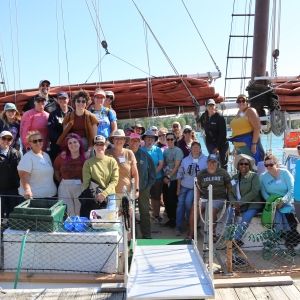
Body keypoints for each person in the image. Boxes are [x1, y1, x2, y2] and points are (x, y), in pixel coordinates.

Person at [260, 154, 300, 253]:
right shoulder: (263, 177)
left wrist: (283, 201)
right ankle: (282, 239)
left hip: (287, 202)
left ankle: (290, 243)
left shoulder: (285, 173)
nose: (268, 167)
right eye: (266, 165)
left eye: (271, 164)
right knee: (277, 216)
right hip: (273, 203)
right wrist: (272, 202)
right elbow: (263, 192)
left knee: (290, 219)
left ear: (276, 163)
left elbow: (292, 189)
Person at [189, 154, 231, 239]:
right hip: (204, 198)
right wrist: (197, 201)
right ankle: (192, 233)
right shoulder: (202, 173)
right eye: (209, 161)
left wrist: (230, 200)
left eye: (214, 162)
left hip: (219, 198)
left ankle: (212, 234)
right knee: (194, 210)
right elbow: (198, 188)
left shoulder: (223, 173)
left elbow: (229, 187)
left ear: (217, 163)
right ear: (207, 162)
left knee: (212, 209)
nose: (211, 164)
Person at [228, 154, 264, 247]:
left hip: (252, 205)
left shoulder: (254, 176)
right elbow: (230, 193)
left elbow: (254, 191)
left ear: (249, 166)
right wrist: (233, 203)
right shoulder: (234, 178)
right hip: (238, 205)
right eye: (241, 164)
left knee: (245, 219)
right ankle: (228, 237)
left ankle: (235, 241)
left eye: (246, 164)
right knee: (229, 214)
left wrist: (240, 203)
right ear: (238, 166)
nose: (243, 165)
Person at [82, 135, 119, 216]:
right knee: (96, 225)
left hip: (110, 197)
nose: (99, 146)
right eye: (97, 144)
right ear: (93, 147)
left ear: (105, 146)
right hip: (95, 198)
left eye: (101, 144)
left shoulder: (112, 161)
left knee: (109, 224)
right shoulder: (88, 163)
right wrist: (93, 197)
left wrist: (104, 194)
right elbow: (86, 184)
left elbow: (114, 181)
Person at [176, 141, 207, 234]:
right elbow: (180, 174)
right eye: (194, 147)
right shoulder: (185, 160)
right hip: (184, 186)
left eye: (197, 147)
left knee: (188, 203)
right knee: (180, 205)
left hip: (197, 187)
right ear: (191, 149)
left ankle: (192, 225)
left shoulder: (205, 160)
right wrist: (178, 188)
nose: (195, 149)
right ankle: (179, 226)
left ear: (200, 149)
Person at [129, 133, 156, 238]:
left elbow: (152, 173)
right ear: (129, 141)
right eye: (132, 140)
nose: (134, 142)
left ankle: (147, 235)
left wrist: (148, 186)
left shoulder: (145, 155)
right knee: (129, 213)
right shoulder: (125, 154)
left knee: (144, 212)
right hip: (128, 190)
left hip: (143, 189)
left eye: (136, 140)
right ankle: (132, 236)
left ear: (140, 142)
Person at [57, 90, 98, 155]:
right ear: (74, 102)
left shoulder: (92, 117)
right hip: (72, 143)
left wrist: (89, 151)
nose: (81, 103)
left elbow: (94, 138)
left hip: (88, 144)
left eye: (83, 101)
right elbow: (65, 135)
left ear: (86, 103)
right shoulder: (68, 117)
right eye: (78, 101)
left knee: (84, 143)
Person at [18, 131, 57, 199]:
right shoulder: (27, 157)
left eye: (40, 140)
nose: (38, 142)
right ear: (30, 143)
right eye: (35, 141)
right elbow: (23, 176)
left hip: (51, 195)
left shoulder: (46, 155)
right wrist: (27, 190)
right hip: (35, 197)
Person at [54, 133, 86, 216]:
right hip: (64, 186)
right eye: (70, 143)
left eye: (75, 142)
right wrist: (61, 180)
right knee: (67, 212)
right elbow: (56, 170)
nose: (73, 145)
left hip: (80, 187)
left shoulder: (85, 158)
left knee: (79, 210)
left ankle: (79, 228)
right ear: (67, 145)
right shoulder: (61, 157)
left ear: (79, 143)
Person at [229, 94, 265, 165]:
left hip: (248, 146)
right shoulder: (239, 113)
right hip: (238, 147)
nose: (241, 102)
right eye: (239, 101)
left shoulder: (250, 111)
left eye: (243, 100)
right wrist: (235, 147)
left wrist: (254, 144)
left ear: (247, 102)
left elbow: (257, 128)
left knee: (252, 167)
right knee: (243, 170)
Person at [105, 129, 139, 199]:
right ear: (113, 140)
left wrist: (136, 189)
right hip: (110, 193)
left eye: (121, 138)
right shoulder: (106, 153)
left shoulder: (129, 153)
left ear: (124, 140)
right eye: (116, 138)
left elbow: (135, 174)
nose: (119, 141)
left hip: (127, 193)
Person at [141, 129, 164, 223]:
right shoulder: (140, 150)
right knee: (145, 198)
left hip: (157, 178)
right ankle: (145, 217)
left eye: (151, 138)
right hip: (144, 179)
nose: (150, 140)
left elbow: (161, 164)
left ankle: (156, 215)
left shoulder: (158, 150)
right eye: (148, 138)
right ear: (144, 139)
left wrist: (153, 174)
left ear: (154, 140)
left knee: (156, 197)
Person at [199, 99, 229, 169]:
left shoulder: (220, 117)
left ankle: (224, 178)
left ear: (215, 106)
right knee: (213, 162)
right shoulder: (204, 116)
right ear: (206, 107)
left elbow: (223, 134)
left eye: (212, 105)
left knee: (222, 164)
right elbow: (199, 122)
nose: (211, 107)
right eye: (209, 105)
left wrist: (217, 147)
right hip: (210, 144)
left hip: (221, 145)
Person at [162, 132, 184, 228]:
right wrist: (165, 176)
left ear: (175, 140)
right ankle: (170, 219)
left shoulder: (178, 151)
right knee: (166, 200)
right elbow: (164, 164)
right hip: (166, 179)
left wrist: (169, 177)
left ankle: (175, 220)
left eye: (172, 139)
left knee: (173, 200)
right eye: (168, 139)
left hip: (174, 179)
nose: (170, 141)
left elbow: (177, 166)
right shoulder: (165, 151)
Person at [0, 131, 21, 217]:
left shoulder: (16, 153)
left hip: (13, 189)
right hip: (0, 189)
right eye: (4, 138)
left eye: (9, 139)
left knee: (12, 214)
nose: (6, 141)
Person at [48, 91, 73, 161]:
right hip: (57, 145)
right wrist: (62, 140)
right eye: (60, 98)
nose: (62, 100)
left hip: (72, 143)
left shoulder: (74, 113)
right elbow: (51, 131)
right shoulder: (53, 114)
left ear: (68, 99)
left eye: (64, 98)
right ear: (57, 100)